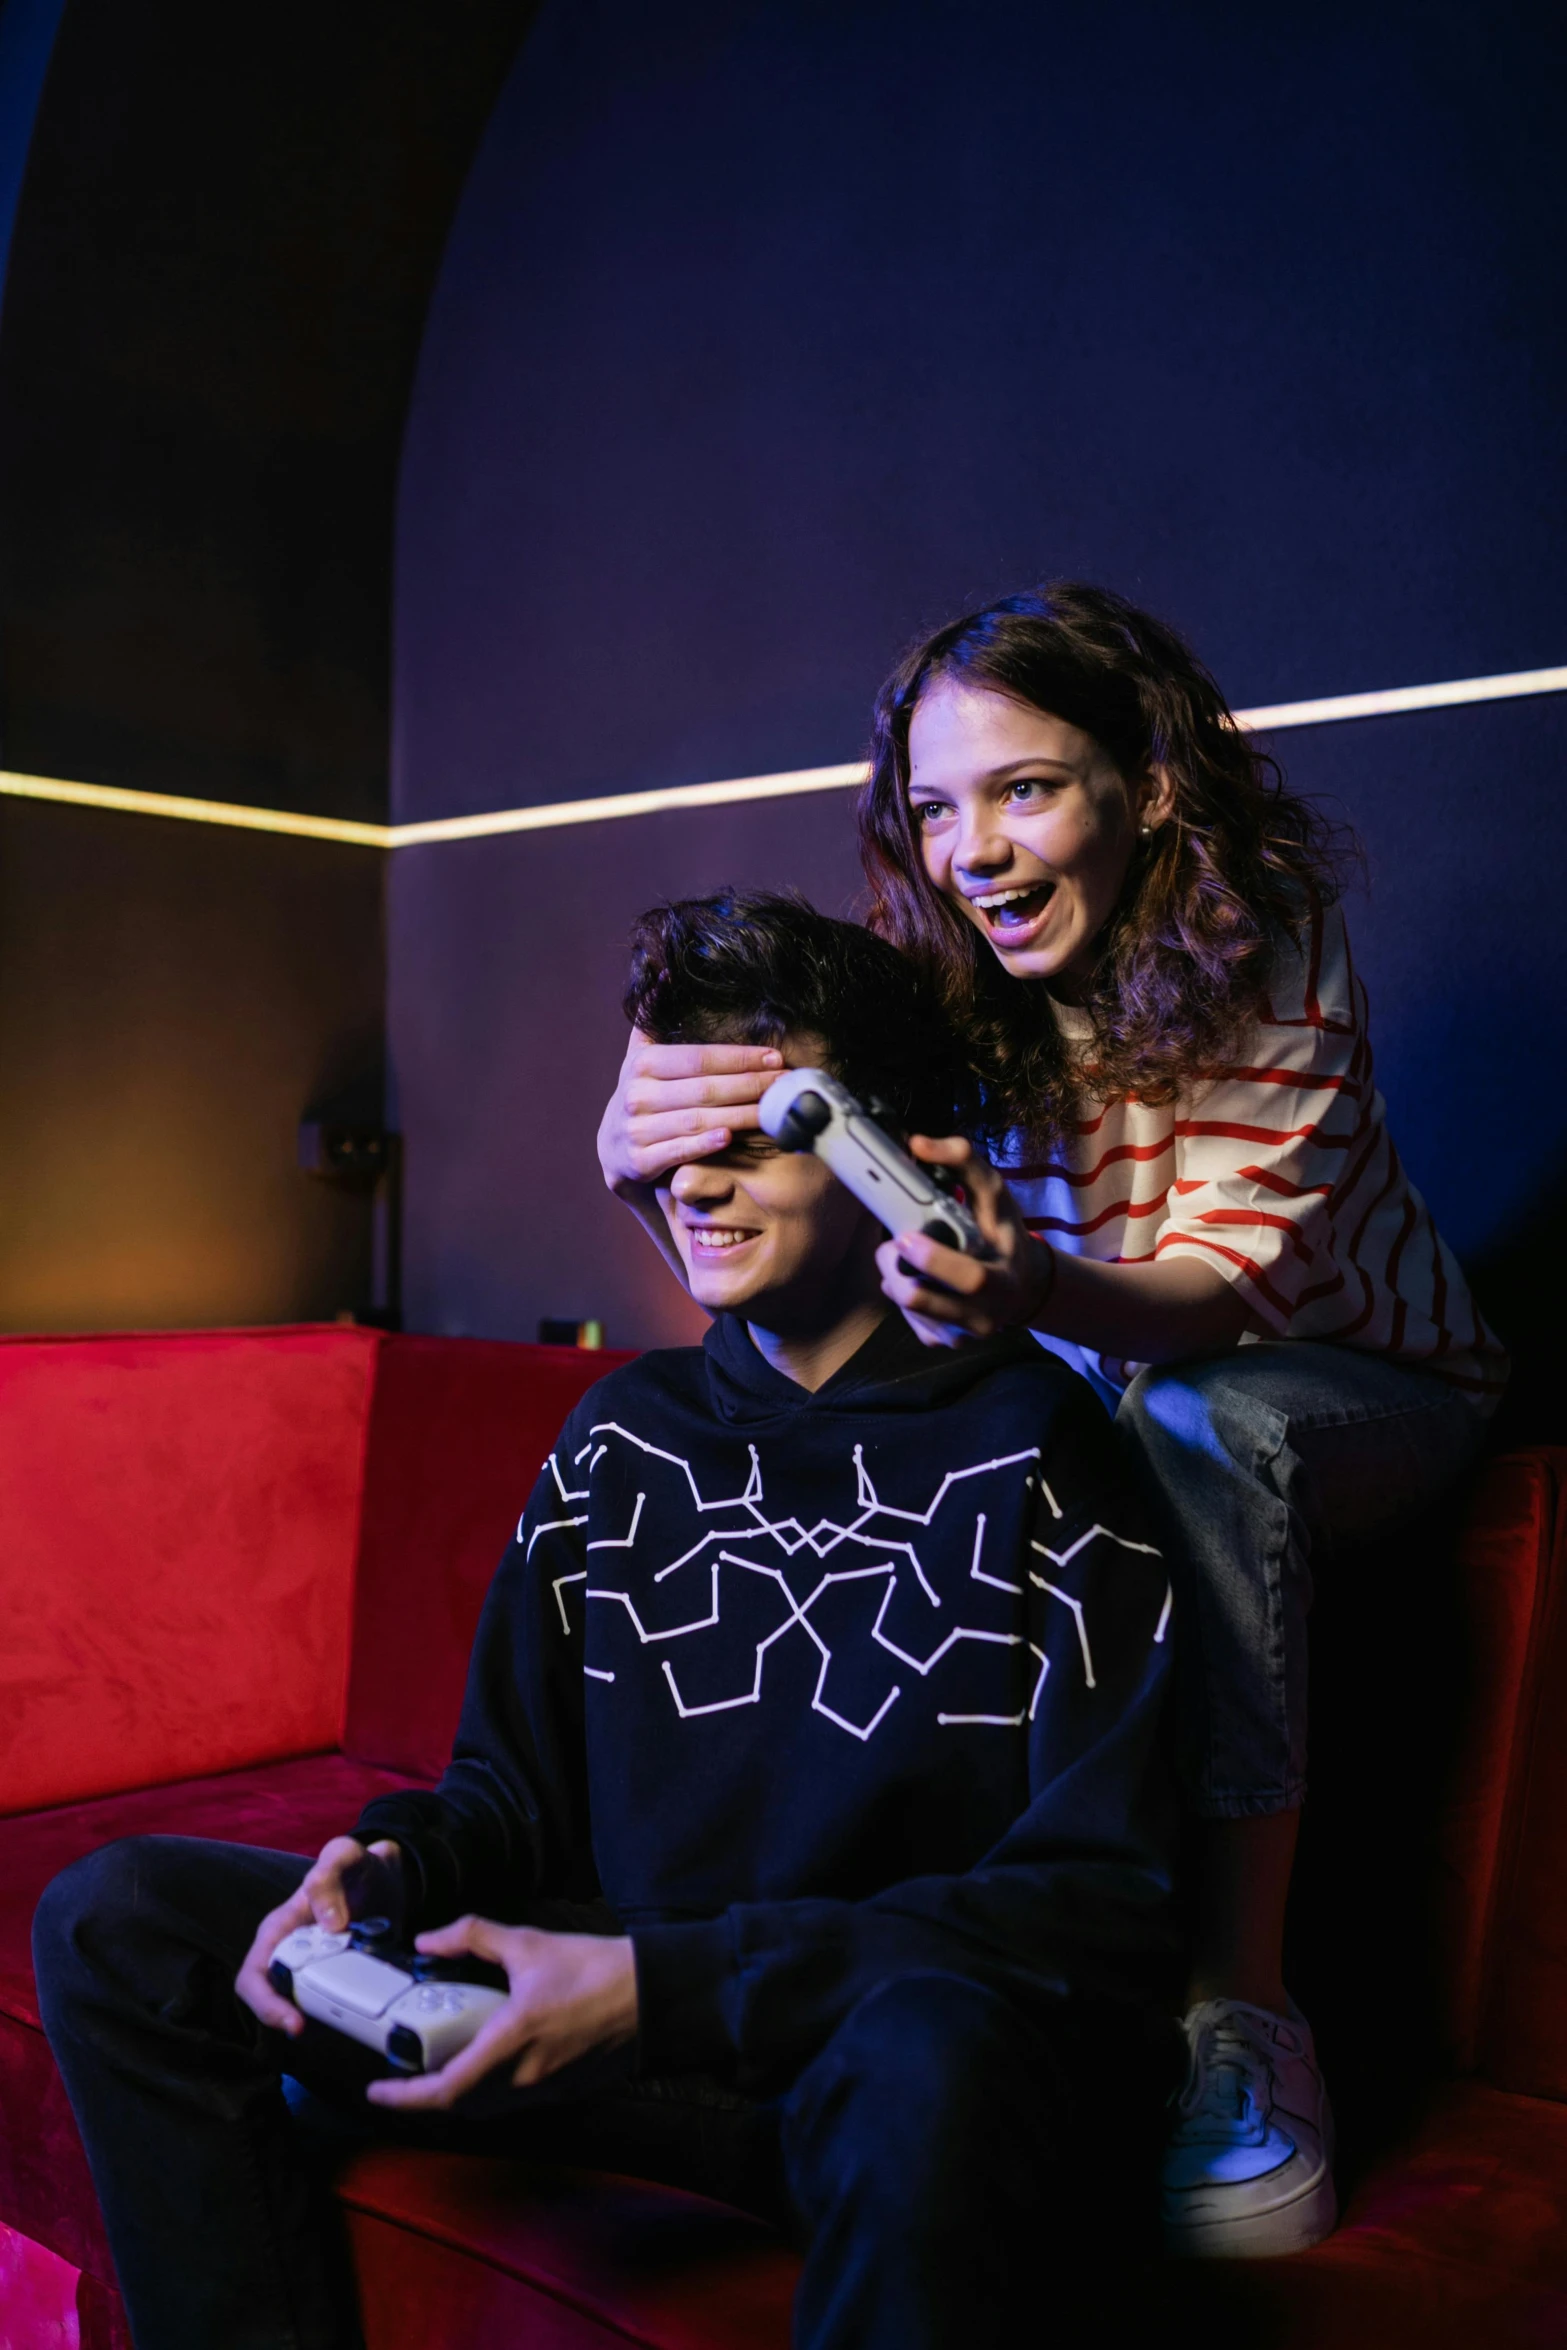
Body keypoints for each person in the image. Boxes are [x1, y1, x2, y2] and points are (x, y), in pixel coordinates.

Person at [35, 891, 1179, 2350]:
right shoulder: (619, 1431)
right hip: (596, 2010)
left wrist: (659, 1989)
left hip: (851, 2044)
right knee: (123, 1915)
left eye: (752, 1131)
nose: (695, 1182)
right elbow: (507, 1790)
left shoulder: (1042, 1441)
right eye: (663, 1139)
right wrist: (384, 1871)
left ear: (887, 1152)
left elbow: (1097, 1907)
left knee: (933, 2059)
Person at [597, 587, 1507, 2259]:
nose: (972, 850)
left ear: (1146, 785)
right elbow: (784, 1219)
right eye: (935, 808)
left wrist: (1034, 1300)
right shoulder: (948, 991)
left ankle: (1240, 2016)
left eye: (1023, 789)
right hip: (1099, 1380)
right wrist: (636, 1147)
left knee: (1194, 1423)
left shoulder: (1272, 937)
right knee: (954, 1428)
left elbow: (1209, 1298)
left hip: (1357, 1390)